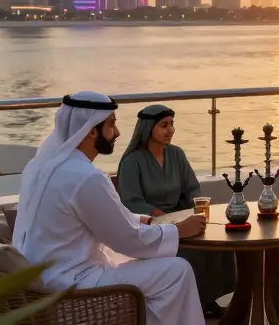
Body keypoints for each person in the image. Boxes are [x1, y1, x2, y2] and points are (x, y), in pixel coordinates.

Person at [13, 92, 207, 325]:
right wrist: (178, 231)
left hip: (44, 279)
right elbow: (127, 240)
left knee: (148, 264)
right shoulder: (85, 177)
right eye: (112, 124)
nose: (117, 132)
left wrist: (142, 219)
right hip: (73, 284)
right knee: (177, 271)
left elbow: (105, 217)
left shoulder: (42, 167)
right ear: (91, 130)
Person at [116, 105, 235, 319]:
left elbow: (192, 189)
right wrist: (161, 216)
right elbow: (131, 202)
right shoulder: (131, 161)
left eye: (172, 124)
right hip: (151, 226)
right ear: (148, 128)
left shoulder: (176, 154)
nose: (170, 130)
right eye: (163, 125)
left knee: (219, 240)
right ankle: (195, 303)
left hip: (181, 218)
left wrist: (195, 211)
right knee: (191, 252)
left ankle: (208, 299)